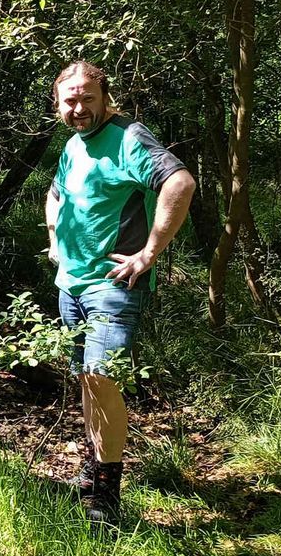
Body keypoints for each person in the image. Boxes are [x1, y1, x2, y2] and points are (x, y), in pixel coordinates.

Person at [44, 61, 196, 528]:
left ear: (105, 98)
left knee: (102, 379)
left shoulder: (128, 137)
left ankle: (107, 494)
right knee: (87, 381)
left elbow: (180, 182)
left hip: (112, 285)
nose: (78, 108)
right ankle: (92, 469)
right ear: (57, 104)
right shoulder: (74, 144)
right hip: (71, 283)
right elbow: (56, 192)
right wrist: (54, 239)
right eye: (69, 100)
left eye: (87, 98)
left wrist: (149, 252)